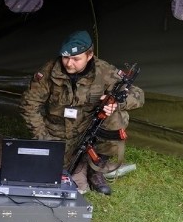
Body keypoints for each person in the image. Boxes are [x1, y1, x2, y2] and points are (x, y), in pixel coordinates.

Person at [19, 30, 144, 195]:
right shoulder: (49, 71)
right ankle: (82, 163)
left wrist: (117, 102)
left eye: (76, 59)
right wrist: (43, 139)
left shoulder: (103, 70)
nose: (69, 64)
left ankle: (96, 170)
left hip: (89, 128)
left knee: (116, 116)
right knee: (50, 170)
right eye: (65, 58)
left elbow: (138, 95)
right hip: (58, 133)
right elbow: (29, 104)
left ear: (90, 55)